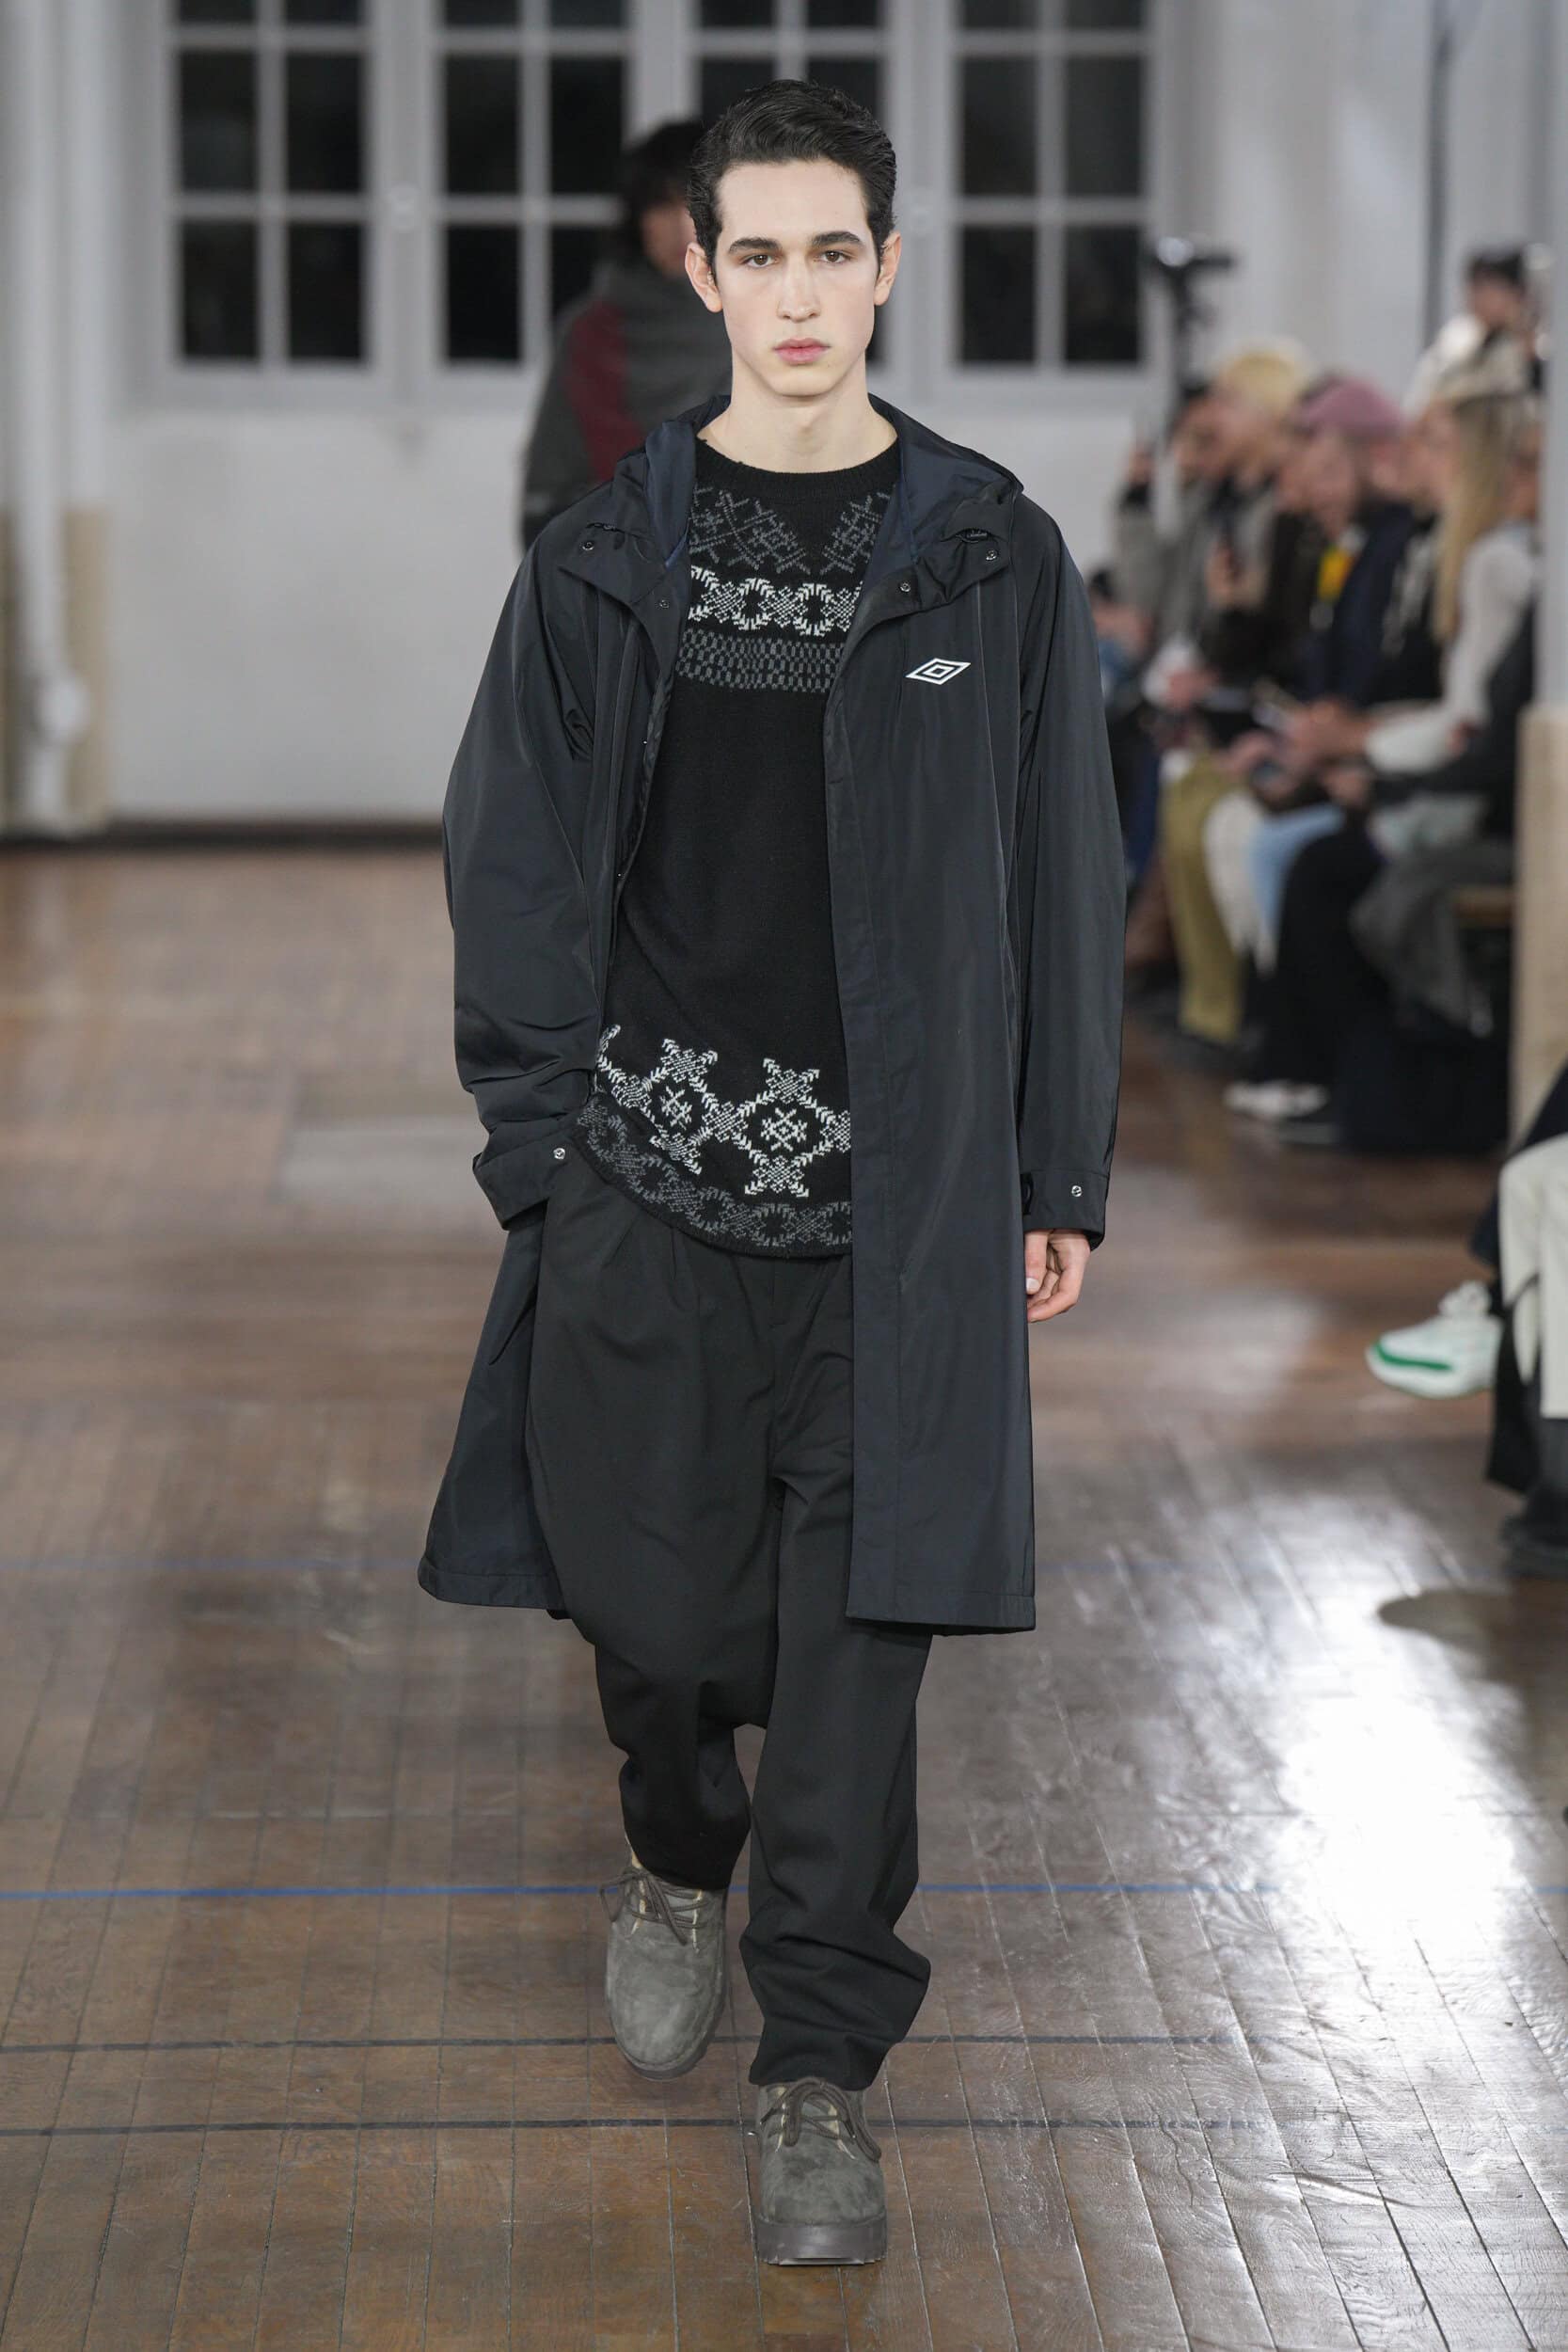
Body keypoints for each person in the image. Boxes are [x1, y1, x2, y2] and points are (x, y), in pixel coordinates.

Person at [420, 78, 1125, 2267]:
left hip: (893, 1216)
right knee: (654, 1619)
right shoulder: (601, 557)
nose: (801, 294)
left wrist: (1055, 1165)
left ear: (885, 269)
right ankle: (670, 1839)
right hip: (640, 1190)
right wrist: (541, 1152)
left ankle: (818, 2067)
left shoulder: (989, 551)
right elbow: (509, 860)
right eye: (762, 254)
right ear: (701, 271)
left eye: (839, 252)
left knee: (854, 1647)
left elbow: (1064, 866)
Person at [517, 119, 732, 551]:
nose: (679, 225)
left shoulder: (760, 322)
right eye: (661, 206)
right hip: (609, 573)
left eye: (695, 206)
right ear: (637, 219)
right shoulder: (592, 332)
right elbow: (546, 502)